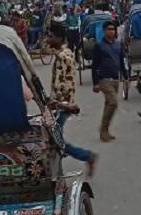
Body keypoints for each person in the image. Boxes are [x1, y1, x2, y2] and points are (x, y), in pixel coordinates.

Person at [46, 24, 98, 177]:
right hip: (59, 103)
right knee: (55, 139)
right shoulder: (62, 53)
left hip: (62, 105)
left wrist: (60, 104)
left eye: (51, 36)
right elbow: (45, 49)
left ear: (59, 38)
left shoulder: (64, 56)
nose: (49, 38)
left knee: (56, 141)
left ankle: (86, 156)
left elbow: (65, 83)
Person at [92, 21, 128, 142]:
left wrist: (125, 75)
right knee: (113, 102)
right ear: (104, 31)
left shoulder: (118, 45)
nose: (111, 31)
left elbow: (122, 61)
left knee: (108, 104)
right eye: (109, 29)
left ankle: (105, 130)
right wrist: (95, 83)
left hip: (115, 79)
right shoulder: (99, 46)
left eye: (113, 29)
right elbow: (94, 65)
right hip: (104, 79)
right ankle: (103, 129)